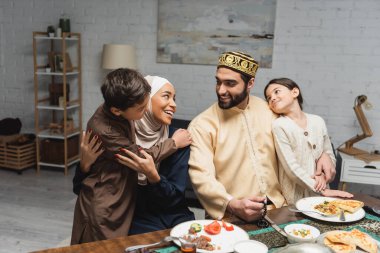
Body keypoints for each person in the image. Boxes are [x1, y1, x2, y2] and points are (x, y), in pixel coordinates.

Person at [187, 51, 336, 222]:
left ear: (250, 83)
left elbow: (298, 133)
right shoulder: (202, 125)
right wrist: (232, 204)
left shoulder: (269, 110)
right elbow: (201, 176)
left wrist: (323, 153)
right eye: (218, 82)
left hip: (279, 208)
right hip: (232, 215)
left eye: (230, 83)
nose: (221, 90)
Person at [71, 69, 189, 244]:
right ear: (117, 111)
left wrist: (155, 177)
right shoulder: (109, 128)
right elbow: (80, 185)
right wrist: (84, 165)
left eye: (175, 98)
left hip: (148, 210)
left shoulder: (175, 136)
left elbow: (175, 197)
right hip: (109, 208)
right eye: (165, 96)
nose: (173, 105)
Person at [264, 78, 353, 204]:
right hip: (295, 196)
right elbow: (291, 167)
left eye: (276, 92)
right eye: (268, 98)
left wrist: (322, 176)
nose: (272, 98)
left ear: (295, 92)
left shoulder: (318, 121)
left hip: (321, 193)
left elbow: (329, 155)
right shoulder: (279, 125)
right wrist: (321, 189)